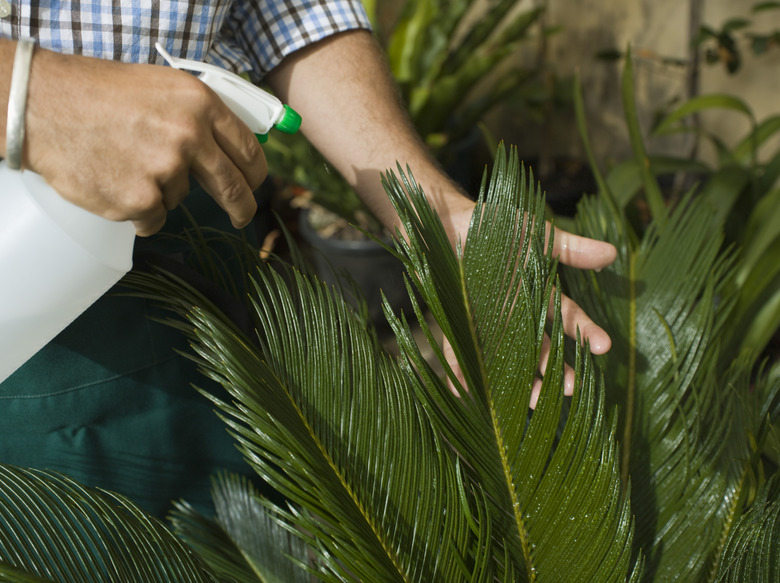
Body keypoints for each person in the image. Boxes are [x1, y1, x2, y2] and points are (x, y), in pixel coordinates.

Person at [0, 0, 616, 517]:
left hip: (195, 231)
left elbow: (292, 12)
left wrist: (431, 214)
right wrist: (26, 92)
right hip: (23, 247)